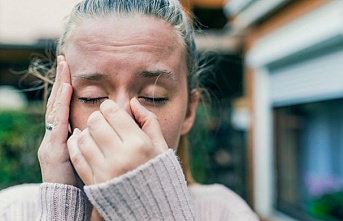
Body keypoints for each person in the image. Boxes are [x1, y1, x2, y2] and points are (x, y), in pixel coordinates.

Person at [0, 0, 259, 220]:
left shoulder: (225, 212)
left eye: (153, 97)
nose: (121, 118)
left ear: (189, 112)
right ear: (59, 106)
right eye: (93, 97)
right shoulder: (12, 211)